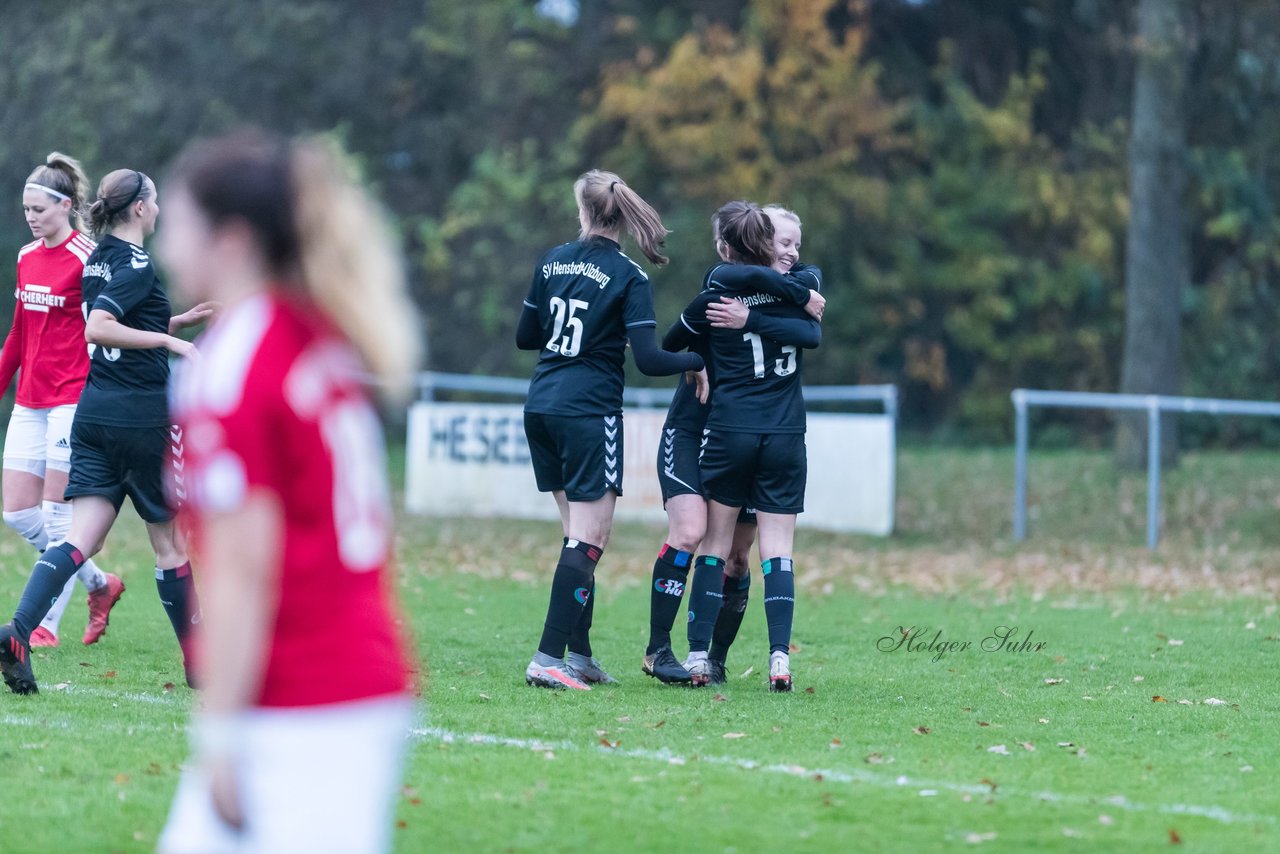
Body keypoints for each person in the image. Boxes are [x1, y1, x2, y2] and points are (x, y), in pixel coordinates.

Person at [155, 131, 418, 853]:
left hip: (307, 703)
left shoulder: (238, 362)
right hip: (344, 688)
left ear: (231, 240)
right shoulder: (309, 331)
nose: (166, 248)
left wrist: (220, 735)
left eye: (177, 225)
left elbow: (243, 576)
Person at [0, 167, 213, 694]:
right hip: (141, 419)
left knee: (79, 538)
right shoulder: (138, 263)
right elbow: (99, 328)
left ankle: (17, 633)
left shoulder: (95, 260)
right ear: (139, 208)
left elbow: (111, 325)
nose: (159, 208)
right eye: (156, 200)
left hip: (93, 412)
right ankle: (199, 664)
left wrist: (173, 321)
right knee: (170, 545)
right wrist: (173, 345)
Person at [518, 169, 707, 690]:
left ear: (582, 210)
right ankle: (547, 658)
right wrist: (695, 358)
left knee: (575, 535)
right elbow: (647, 359)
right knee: (590, 536)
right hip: (588, 410)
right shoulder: (629, 276)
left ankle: (577, 656)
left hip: (542, 405)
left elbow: (525, 336)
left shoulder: (552, 259)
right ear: (622, 214)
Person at [643, 203, 824, 686]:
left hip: (742, 431)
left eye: (794, 244)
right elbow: (671, 342)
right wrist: (694, 361)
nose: (790, 252)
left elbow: (810, 324)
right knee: (695, 534)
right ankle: (664, 648)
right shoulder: (724, 292)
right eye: (782, 242)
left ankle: (712, 658)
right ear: (759, 244)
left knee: (737, 555)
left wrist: (758, 313)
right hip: (702, 428)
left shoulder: (791, 286)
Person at [2, 153, 122, 648]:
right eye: (26, 210)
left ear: (66, 206)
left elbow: (108, 326)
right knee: (16, 513)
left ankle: (44, 626)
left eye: (39, 210)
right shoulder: (27, 257)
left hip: (73, 399)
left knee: (56, 517)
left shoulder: (88, 258)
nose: (30, 218)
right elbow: (18, 334)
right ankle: (100, 584)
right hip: (30, 400)